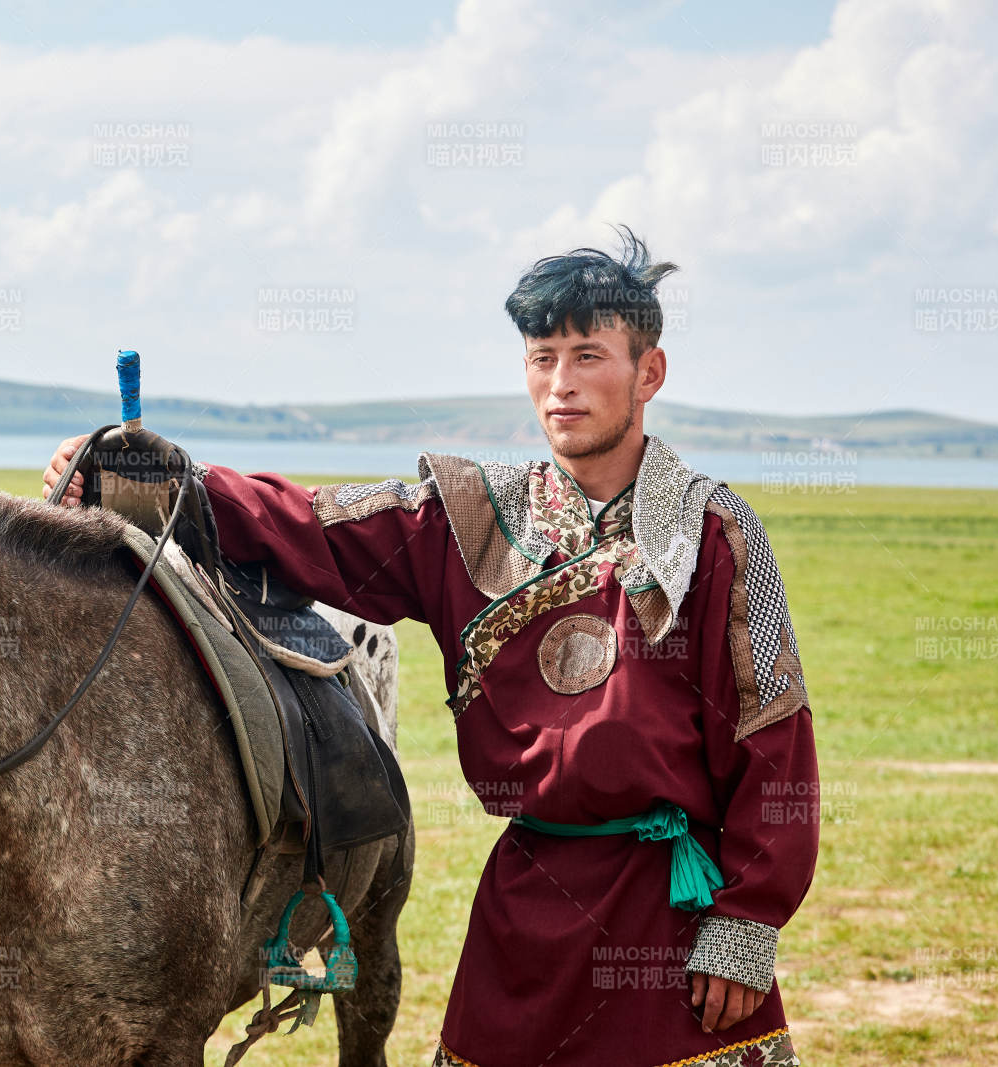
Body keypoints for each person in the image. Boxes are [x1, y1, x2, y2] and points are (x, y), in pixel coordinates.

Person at [42, 228, 818, 1067]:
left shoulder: (716, 534)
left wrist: (748, 919)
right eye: (542, 356)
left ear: (649, 372)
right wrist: (160, 484)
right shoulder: (469, 516)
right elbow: (318, 524)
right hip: (527, 910)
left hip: (675, 917)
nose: (560, 384)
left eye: (588, 355)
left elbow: (773, 742)